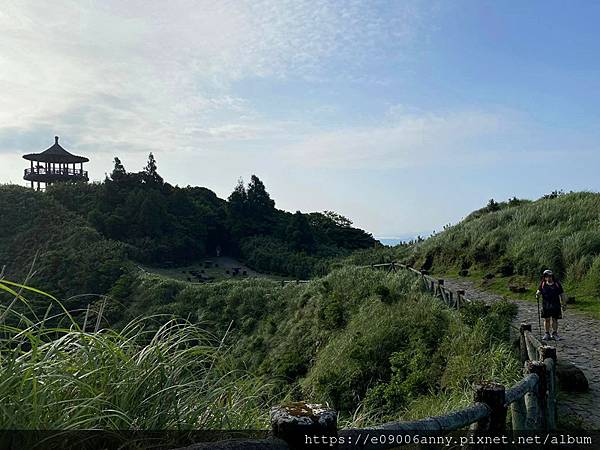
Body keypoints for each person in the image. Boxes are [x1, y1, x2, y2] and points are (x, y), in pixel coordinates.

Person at [535, 269, 566, 341]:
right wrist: (537, 295)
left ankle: (554, 333)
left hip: (556, 305)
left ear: (552, 276)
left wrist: (564, 304)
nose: (548, 278)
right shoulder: (543, 284)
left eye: (550, 276)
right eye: (547, 276)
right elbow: (539, 291)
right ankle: (547, 334)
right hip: (546, 305)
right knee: (547, 319)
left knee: (555, 319)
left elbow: (562, 294)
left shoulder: (557, 284)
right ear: (544, 277)